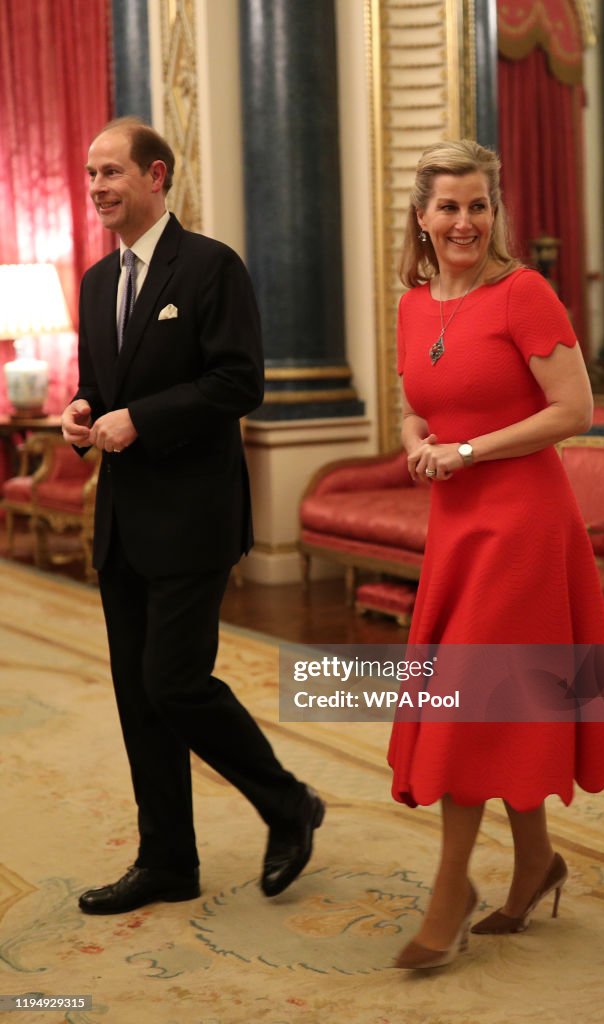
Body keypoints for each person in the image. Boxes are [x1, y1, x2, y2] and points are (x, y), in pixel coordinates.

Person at [61, 117, 324, 915]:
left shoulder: (211, 267)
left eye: (112, 172)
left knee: (173, 682)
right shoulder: (98, 281)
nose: (99, 187)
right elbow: (100, 387)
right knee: (138, 696)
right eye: (91, 174)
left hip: (195, 519)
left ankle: (287, 803)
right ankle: (167, 860)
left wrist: (140, 417)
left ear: (156, 175)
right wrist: (84, 412)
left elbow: (240, 383)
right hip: (124, 522)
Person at [387, 140, 604, 969]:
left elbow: (576, 409)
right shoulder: (414, 304)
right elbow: (416, 406)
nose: (464, 221)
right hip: (457, 528)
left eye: (478, 205)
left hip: (523, 526)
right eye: (448, 206)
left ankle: (448, 890)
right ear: (421, 217)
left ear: (494, 212)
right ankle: (536, 862)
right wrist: (418, 439)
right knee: (497, 701)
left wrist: (464, 454)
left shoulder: (522, 293)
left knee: (466, 701)